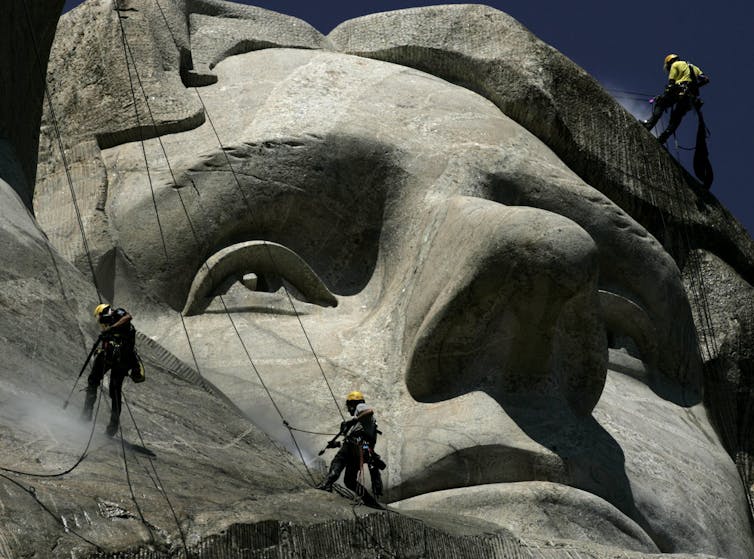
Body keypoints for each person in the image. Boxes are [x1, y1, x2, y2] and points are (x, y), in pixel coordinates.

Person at [317, 391, 385, 508]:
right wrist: (336, 444)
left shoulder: (360, 407)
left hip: (354, 446)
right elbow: (352, 437)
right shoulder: (361, 424)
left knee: (338, 461)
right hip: (361, 449)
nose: (348, 409)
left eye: (348, 406)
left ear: (352, 403)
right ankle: (369, 501)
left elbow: (369, 411)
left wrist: (353, 420)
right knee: (349, 480)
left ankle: (326, 484)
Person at [82, 303, 137, 436]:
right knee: (95, 381)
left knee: (114, 390)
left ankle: (112, 425)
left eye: (102, 318)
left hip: (121, 359)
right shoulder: (111, 327)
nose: (103, 323)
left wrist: (110, 328)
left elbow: (128, 317)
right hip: (118, 359)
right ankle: (88, 413)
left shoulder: (118, 313)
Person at [642, 53, 709, 144]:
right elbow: (705, 79)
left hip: (678, 90)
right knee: (676, 117)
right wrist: (693, 87)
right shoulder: (693, 67)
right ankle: (664, 136)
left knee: (661, 103)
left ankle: (648, 124)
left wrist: (664, 95)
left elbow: (671, 83)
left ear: (670, 62)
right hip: (689, 97)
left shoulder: (675, 65)